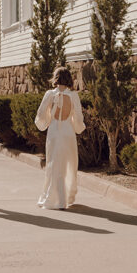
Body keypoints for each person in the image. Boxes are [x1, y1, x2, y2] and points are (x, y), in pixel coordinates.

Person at [34, 66, 85, 210]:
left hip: (55, 131)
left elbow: (41, 114)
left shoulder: (50, 94)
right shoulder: (74, 95)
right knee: (69, 163)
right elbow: (79, 117)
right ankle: (66, 198)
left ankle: (54, 198)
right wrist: (78, 127)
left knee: (53, 163)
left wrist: (48, 120)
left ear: (55, 78)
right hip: (68, 132)